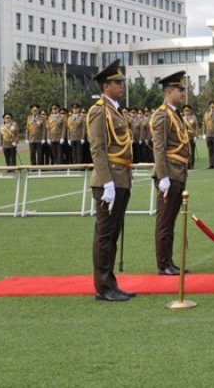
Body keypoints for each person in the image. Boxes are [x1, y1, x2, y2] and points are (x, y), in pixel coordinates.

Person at [87, 59, 134, 302]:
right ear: (106, 86)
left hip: (121, 178)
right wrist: (106, 182)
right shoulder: (98, 111)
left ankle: (110, 283)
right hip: (109, 181)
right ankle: (103, 287)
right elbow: (98, 148)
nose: (121, 86)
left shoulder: (115, 110)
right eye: (117, 82)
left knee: (112, 234)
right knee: (104, 235)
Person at [151, 71, 191, 276]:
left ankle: (169, 261)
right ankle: (163, 263)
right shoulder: (161, 115)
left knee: (171, 221)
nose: (182, 93)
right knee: (165, 222)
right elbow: (159, 147)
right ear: (168, 92)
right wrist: (163, 176)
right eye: (179, 89)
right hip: (170, 173)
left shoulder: (174, 113)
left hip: (178, 172)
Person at [182, 104, 199, 169]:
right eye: (185, 111)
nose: (186, 112)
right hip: (184, 138)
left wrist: (196, 136)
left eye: (188, 111)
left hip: (191, 137)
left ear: (190, 111)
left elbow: (196, 127)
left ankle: (191, 165)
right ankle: (186, 164)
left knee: (192, 151)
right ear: (183, 112)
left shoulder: (193, 118)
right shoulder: (182, 118)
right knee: (185, 152)